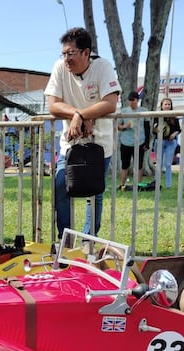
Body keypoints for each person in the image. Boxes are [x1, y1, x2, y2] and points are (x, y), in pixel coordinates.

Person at [44, 27, 120, 238]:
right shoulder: (60, 68)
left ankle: (89, 240)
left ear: (86, 52)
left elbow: (110, 103)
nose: (66, 58)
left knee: (94, 192)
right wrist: (78, 114)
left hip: (100, 144)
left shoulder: (103, 66)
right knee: (61, 185)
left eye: (71, 53)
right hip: (70, 143)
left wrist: (82, 115)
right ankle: (65, 237)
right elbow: (53, 104)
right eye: (64, 53)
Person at [117, 91, 150, 190]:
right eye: (130, 100)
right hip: (125, 142)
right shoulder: (123, 111)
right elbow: (118, 127)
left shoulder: (144, 111)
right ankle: (122, 185)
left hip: (140, 142)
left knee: (139, 165)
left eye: (133, 100)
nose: (131, 102)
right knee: (125, 164)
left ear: (137, 100)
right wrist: (125, 126)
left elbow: (147, 128)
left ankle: (138, 185)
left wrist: (147, 143)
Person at [154, 97, 181, 189]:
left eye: (169, 104)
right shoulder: (157, 116)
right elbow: (153, 130)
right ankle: (156, 183)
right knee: (159, 163)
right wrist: (157, 129)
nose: (167, 106)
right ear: (161, 106)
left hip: (171, 142)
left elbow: (178, 129)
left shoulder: (174, 116)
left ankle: (168, 185)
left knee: (168, 164)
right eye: (165, 104)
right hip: (159, 141)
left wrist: (174, 134)